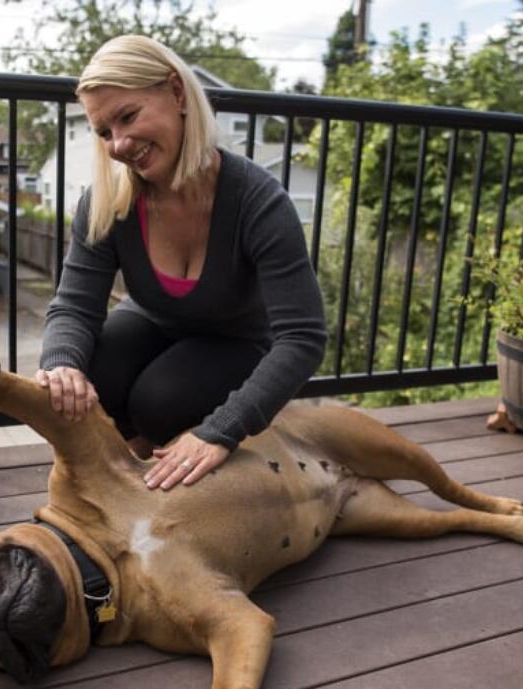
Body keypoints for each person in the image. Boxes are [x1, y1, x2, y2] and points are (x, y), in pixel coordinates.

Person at [36, 34, 328, 491]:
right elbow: (73, 306)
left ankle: (163, 456)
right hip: (154, 320)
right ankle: (135, 461)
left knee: (160, 400)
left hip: (238, 340)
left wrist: (221, 430)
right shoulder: (109, 200)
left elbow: (304, 337)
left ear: (176, 93)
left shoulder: (259, 201)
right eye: (104, 132)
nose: (118, 144)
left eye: (128, 117)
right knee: (95, 376)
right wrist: (62, 366)